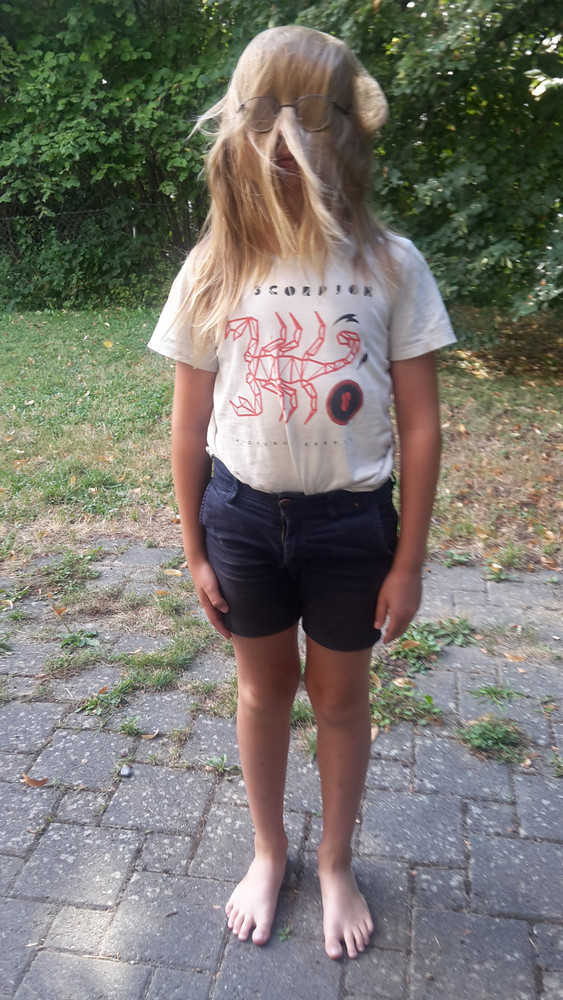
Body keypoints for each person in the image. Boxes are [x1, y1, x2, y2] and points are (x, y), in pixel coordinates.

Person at [148, 24, 456, 961]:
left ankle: (334, 861)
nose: (286, 157)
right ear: (240, 139)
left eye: (308, 133)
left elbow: (420, 427)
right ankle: (269, 851)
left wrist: (408, 563)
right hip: (242, 520)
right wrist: (195, 550)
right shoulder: (215, 267)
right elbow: (188, 426)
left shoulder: (390, 264)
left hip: (351, 526)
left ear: (344, 140)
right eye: (269, 137)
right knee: (261, 690)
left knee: (341, 700)